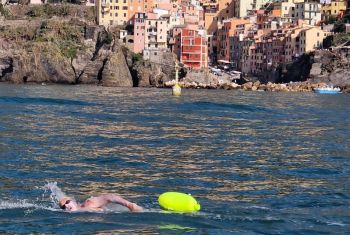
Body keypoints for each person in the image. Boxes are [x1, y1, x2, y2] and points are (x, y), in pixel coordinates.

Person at [58, 194, 143, 212]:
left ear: (73, 200)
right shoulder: (82, 208)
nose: (66, 205)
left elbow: (110, 197)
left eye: (67, 202)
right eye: (63, 207)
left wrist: (128, 204)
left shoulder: (88, 203)